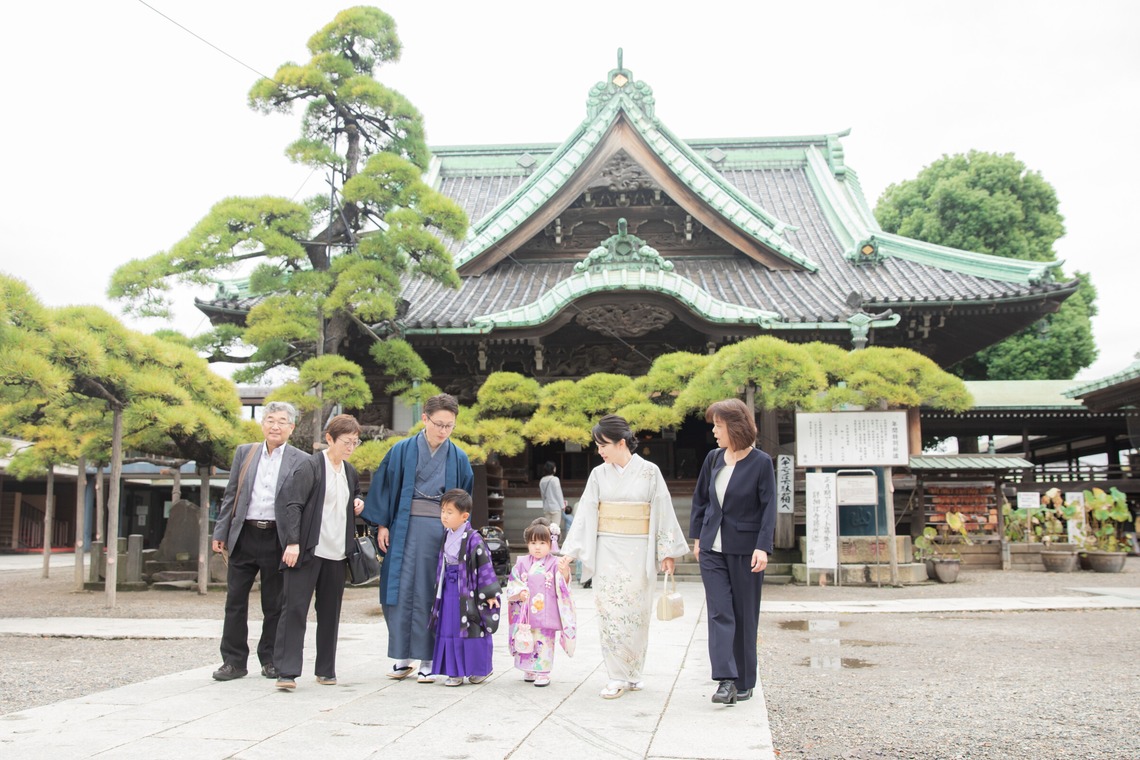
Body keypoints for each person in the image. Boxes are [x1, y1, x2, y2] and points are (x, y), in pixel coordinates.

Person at [559, 414, 689, 699]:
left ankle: (633, 673)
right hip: (607, 549)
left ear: (621, 443)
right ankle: (616, 675)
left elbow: (663, 509)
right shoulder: (598, 475)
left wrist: (666, 552)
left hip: (639, 551)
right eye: (597, 445)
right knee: (610, 612)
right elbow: (585, 514)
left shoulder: (649, 471)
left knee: (637, 613)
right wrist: (570, 553)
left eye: (603, 445)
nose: (599, 451)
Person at [362, 393, 474, 683]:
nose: (443, 431)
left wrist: (460, 533)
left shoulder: (459, 458)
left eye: (449, 426)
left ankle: (428, 658)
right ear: (424, 419)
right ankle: (402, 656)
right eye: (438, 424)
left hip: (441, 532)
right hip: (404, 528)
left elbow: (465, 500)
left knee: (432, 591)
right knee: (397, 589)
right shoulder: (401, 450)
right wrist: (383, 524)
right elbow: (385, 488)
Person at [210, 401, 307, 682]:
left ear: (291, 427)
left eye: (281, 421)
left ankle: (271, 660)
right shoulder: (246, 453)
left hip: (278, 537)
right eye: (270, 420)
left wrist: (295, 541)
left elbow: (301, 505)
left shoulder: (300, 459)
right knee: (235, 601)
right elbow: (231, 494)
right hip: (244, 534)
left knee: (274, 603)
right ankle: (233, 661)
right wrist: (220, 532)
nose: (275, 426)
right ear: (263, 424)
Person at [690, 399, 776, 706]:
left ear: (735, 428)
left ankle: (745, 680)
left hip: (746, 550)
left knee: (744, 614)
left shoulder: (761, 463)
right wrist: (698, 537)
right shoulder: (713, 459)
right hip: (712, 549)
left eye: (719, 425)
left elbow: (769, 508)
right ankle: (725, 680)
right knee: (720, 612)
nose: (714, 431)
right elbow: (701, 500)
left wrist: (763, 547)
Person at [272, 414, 365, 690]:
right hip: (308, 550)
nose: (350, 448)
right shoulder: (310, 466)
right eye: (346, 442)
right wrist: (292, 542)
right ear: (329, 439)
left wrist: (359, 501)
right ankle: (287, 671)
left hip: (337, 553)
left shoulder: (349, 471)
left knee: (330, 612)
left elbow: (356, 493)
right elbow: (293, 506)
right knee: (295, 610)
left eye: (355, 443)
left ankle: (326, 669)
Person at [429, 489, 501, 687]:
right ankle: (455, 672)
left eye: (450, 512)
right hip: (448, 589)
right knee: (449, 627)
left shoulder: (474, 538)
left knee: (471, 626)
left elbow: (485, 567)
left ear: (464, 516)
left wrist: (490, 594)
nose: (444, 515)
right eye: (443, 510)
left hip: (468, 593)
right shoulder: (447, 535)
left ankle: (479, 669)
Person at [506, 518, 576, 687]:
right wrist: (519, 592)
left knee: (544, 641)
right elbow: (513, 581)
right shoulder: (522, 562)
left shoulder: (554, 563)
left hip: (547, 611)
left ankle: (543, 672)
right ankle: (528, 669)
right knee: (526, 637)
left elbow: (563, 584)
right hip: (527, 611)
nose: (537, 547)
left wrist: (564, 571)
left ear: (551, 543)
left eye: (542, 543)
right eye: (533, 542)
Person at [539, 461, 565, 529]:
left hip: (547, 507)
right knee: (555, 528)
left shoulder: (542, 480)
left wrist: (544, 506)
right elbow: (558, 493)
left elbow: (542, 496)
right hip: (555, 507)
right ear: (553, 469)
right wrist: (562, 505)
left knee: (547, 528)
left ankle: (547, 539)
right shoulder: (555, 479)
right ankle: (554, 539)